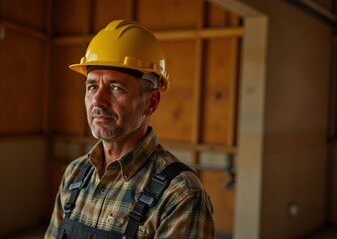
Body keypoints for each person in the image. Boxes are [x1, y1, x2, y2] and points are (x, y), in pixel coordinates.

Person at [45, 19, 215, 239]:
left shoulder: (180, 195)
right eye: (92, 86)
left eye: (116, 88)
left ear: (151, 102)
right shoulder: (74, 174)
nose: (98, 100)